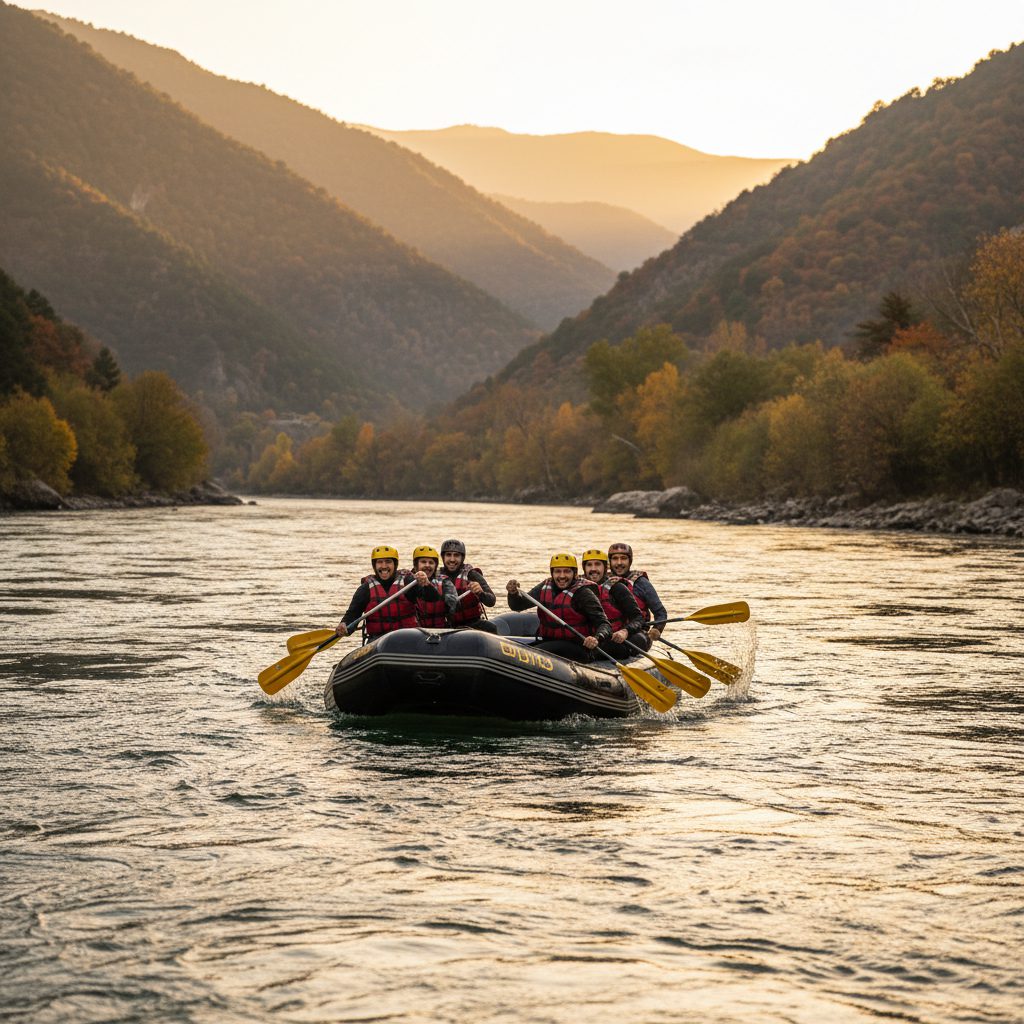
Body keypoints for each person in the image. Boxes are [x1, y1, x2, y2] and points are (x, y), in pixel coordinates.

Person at [505, 553, 611, 663]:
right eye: (557, 571)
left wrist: (596, 638)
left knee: (531, 653)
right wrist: (513, 594)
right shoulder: (545, 587)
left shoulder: (584, 593)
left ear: (575, 574)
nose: (562, 576)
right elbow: (517, 606)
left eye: (567, 571)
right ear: (552, 573)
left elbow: (605, 624)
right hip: (550, 641)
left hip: (577, 647)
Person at [336, 544, 418, 639]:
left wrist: (425, 583)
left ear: (395, 565)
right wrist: (344, 625)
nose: (384, 566)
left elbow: (429, 597)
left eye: (388, 562)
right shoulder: (365, 589)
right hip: (378, 641)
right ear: (374, 565)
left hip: (409, 638)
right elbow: (353, 614)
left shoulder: (408, 582)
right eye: (380, 562)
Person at [580, 548, 649, 659]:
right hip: (593, 638)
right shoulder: (578, 588)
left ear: (605, 567)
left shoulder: (617, 588)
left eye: (597, 564)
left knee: (635, 642)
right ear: (584, 568)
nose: (593, 569)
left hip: (618, 637)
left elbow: (638, 618)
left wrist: (624, 632)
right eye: (589, 565)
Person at [607, 542, 668, 644]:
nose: (619, 563)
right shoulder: (603, 581)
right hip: (610, 633)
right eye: (615, 559)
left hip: (637, 633)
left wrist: (656, 629)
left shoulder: (641, 582)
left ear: (630, 561)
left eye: (623, 558)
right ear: (610, 561)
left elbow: (660, 613)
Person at [438, 538, 498, 633]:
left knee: (491, 628)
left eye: (456, 555)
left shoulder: (472, 575)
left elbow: (491, 601)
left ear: (462, 558)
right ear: (443, 557)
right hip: (447, 625)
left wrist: (480, 592)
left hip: (473, 624)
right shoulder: (436, 577)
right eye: (448, 555)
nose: (452, 559)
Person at [409, 544, 459, 629]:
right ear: (415, 565)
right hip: (415, 632)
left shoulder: (445, 582)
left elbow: (454, 606)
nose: (427, 565)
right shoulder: (407, 580)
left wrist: (448, 601)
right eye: (423, 562)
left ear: (435, 566)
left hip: (440, 630)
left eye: (431, 563)